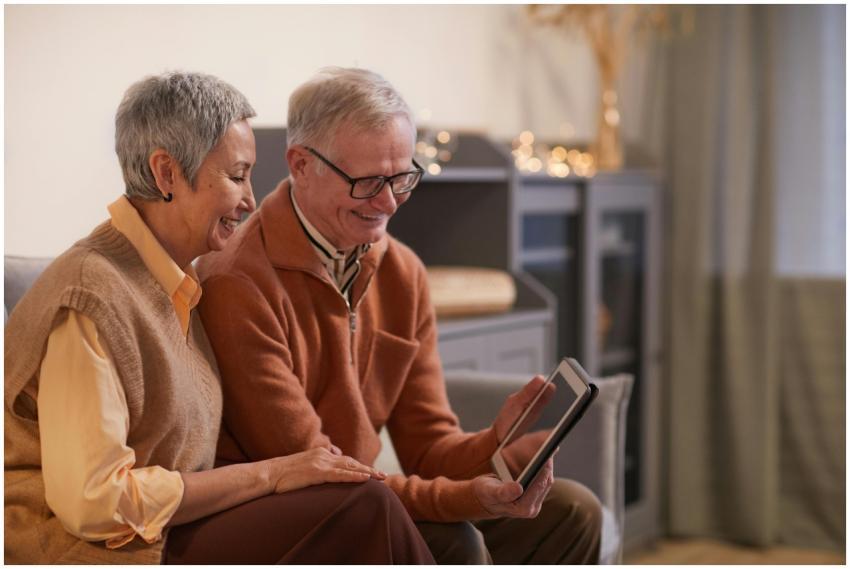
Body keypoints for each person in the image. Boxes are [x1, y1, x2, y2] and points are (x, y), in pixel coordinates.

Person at [4, 71, 434, 565]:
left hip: (171, 529)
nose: (251, 200)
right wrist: (271, 475)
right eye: (236, 176)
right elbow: (94, 503)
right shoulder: (89, 297)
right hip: (89, 548)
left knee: (388, 521)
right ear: (167, 174)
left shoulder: (175, 284)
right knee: (363, 508)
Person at [197, 67, 602, 564]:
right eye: (368, 182)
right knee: (455, 540)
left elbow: (429, 448)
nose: (389, 203)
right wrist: (469, 498)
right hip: (293, 517)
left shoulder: (402, 272)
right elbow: (326, 475)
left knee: (574, 513)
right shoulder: (238, 283)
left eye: (402, 177)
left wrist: (498, 443)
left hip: (365, 498)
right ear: (301, 164)